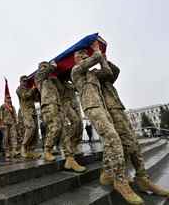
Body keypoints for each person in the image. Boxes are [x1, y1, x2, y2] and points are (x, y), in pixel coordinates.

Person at [71, 42, 143, 205]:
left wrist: (103, 59)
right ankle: (120, 181)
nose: (84, 57)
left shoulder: (93, 75)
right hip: (92, 107)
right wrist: (96, 52)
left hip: (103, 107)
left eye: (85, 55)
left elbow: (109, 72)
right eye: (80, 56)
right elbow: (91, 61)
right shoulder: (76, 71)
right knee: (113, 139)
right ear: (76, 60)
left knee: (114, 140)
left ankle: (107, 173)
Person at [99, 60, 169, 197]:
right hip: (108, 109)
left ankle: (141, 177)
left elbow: (115, 70)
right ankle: (109, 172)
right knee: (121, 142)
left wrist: (103, 58)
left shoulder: (106, 76)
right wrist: (98, 58)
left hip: (118, 108)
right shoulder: (94, 75)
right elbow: (106, 71)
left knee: (133, 143)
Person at [34, 61, 63, 161]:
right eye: (43, 67)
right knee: (55, 127)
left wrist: (56, 79)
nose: (45, 69)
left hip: (57, 104)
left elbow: (61, 89)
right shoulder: (39, 76)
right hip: (48, 105)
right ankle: (47, 150)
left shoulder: (51, 79)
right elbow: (44, 72)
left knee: (59, 127)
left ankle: (53, 148)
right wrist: (51, 66)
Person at [59, 79, 86, 172]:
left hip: (74, 104)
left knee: (80, 126)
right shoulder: (56, 80)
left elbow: (78, 87)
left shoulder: (69, 83)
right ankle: (69, 157)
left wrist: (71, 79)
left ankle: (72, 149)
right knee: (68, 128)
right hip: (64, 105)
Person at [16, 75, 40, 159]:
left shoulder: (29, 89)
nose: (25, 82)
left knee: (35, 131)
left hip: (33, 111)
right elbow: (25, 96)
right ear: (20, 81)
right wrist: (33, 89)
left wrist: (36, 90)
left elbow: (36, 99)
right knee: (31, 127)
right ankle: (23, 147)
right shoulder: (19, 89)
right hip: (25, 111)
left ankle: (31, 150)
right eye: (24, 81)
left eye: (26, 81)